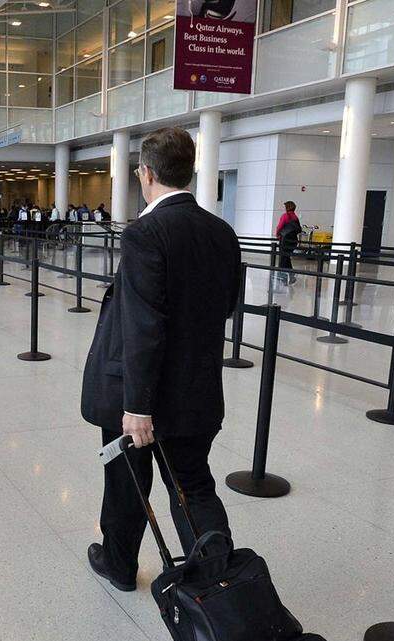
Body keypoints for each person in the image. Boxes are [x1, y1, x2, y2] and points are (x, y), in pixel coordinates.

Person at [82, 127, 241, 592]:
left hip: (142, 396)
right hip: (198, 391)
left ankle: (119, 565)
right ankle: (219, 587)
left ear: (145, 174)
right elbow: (226, 305)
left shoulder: (144, 234)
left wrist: (137, 405)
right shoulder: (222, 232)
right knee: (193, 486)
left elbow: (142, 326)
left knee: (127, 484)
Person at [275, 201, 302, 284]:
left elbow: (279, 226)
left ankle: (283, 279)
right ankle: (291, 275)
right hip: (293, 241)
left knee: (283, 259)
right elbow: (298, 229)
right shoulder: (295, 217)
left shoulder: (285, 216)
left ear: (287, 207)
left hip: (285, 241)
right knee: (286, 258)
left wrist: (277, 234)